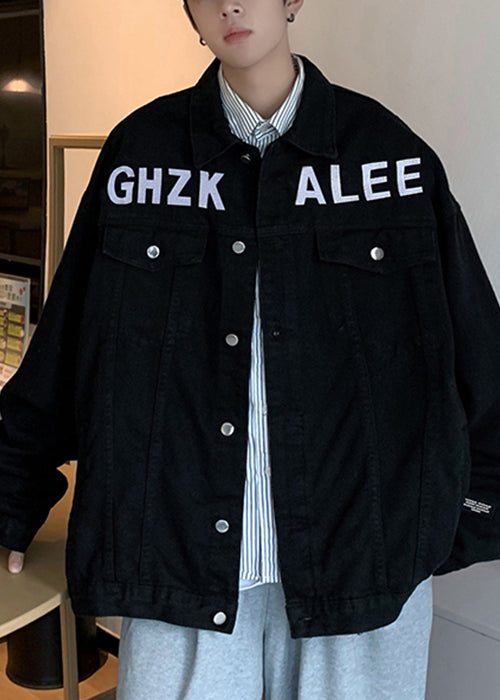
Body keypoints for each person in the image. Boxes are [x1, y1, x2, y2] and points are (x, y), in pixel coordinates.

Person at [2, 0, 500, 698]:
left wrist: (460, 516)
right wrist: (13, 494)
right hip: (175, 557)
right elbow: (69, 341)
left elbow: (476, 349)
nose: (230, 3)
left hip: (362, 561)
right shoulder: (140, 153)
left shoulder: (391, 155)